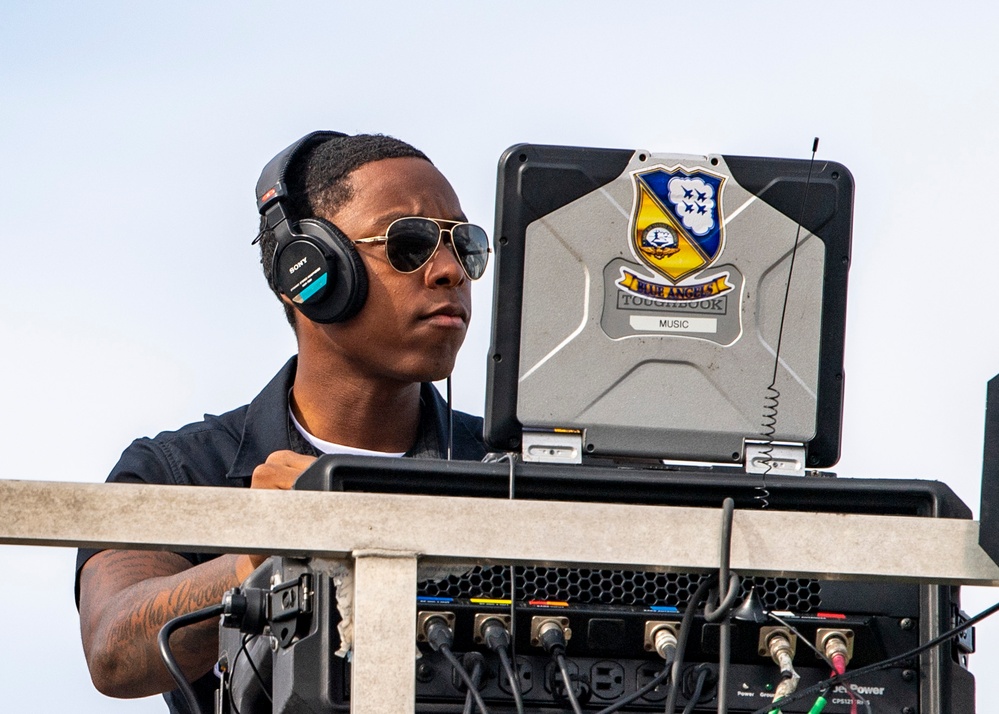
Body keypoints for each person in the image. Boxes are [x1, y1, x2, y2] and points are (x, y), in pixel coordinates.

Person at [75, 131, 490, 712]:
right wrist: (267, 553)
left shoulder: (510, 466)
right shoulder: (182, 471)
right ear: (309, 270)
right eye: (409, 243)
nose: (450, 271)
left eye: (464, 245)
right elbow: (114, 651)